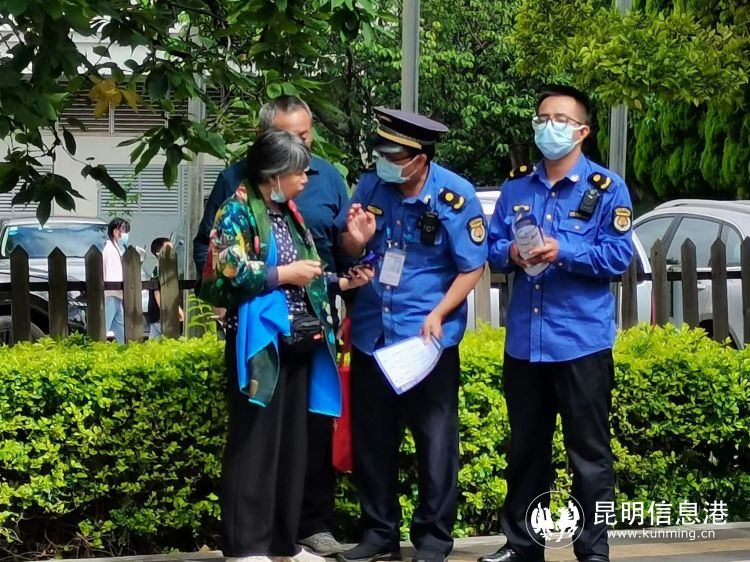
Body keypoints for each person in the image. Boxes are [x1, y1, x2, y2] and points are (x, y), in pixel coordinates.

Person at [199, 128, 374, 562]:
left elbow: (307, 270)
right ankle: (247, 545)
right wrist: (281, 275)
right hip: (261, 341)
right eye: (298, 173)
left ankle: (284, 543)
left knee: (293, 443)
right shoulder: (237, 210)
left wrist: (341, 281)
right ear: (274, 173)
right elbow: (225, 272)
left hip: (299, 338)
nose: (304, 181)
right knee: (256, 440)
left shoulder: (289, 212)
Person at [478, 85, 634, 562]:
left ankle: (594, 550)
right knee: (526, 450)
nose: (549, 127)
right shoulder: (516, 188)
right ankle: (522, 546)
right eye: (542, 118)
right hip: (526, 343)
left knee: (589, 454)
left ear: (582, 131)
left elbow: (618, 256)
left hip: (580, 342)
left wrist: (562, 250)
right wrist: (512, 251)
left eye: (561, 120)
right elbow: (491, 250)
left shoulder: (606, 188)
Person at [336, 108, 488, 562]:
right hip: (373, 334)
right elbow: (348, 248)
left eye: (394, 156)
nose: (384, 162)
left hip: (426, 341)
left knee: (435, 442)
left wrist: (440, 312)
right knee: (372, 439)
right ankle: (379, 532)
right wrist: (356, 240)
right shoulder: (370, 187)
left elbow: (472, 265)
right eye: (381, 153)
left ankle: (433, 538)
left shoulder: (455, 196)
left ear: (419, 159)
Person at [147, 237, 184, 339]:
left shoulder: (160, 269)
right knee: (172, 340)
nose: (172, 251)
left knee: (154, 343)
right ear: (159, 253)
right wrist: (174, 311)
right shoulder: (159, 270)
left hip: (156, 316)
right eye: (168, 248)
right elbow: (157, 293)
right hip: (162, 316)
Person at [102, 217, 130, 344]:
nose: (125, 234)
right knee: (103, 328)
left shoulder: (115, 248)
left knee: (120, 328)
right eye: (124, 230)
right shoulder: (110, 249)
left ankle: (126, 349)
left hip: (115, 295)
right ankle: (94, 349)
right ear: (115, 231)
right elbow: (111, 274)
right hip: (112, 294)